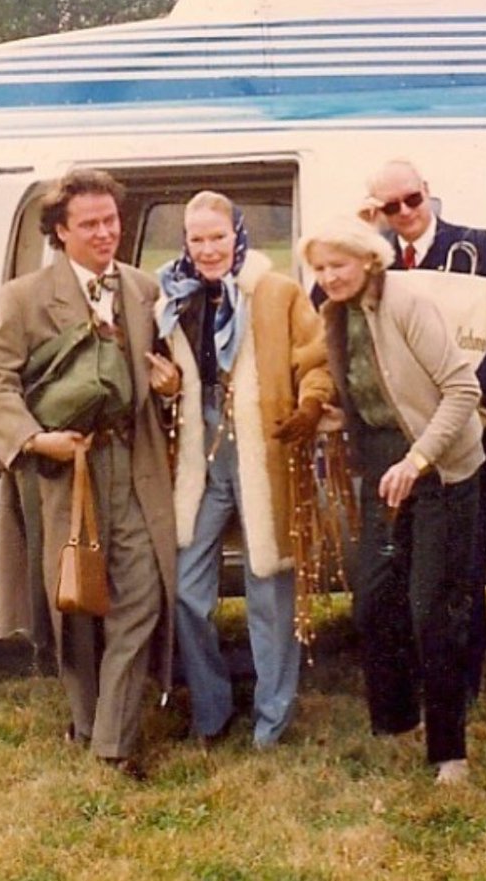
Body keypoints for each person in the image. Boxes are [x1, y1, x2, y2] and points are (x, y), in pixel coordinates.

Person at [0, 169, 175, 779]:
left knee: (144, 593)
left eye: (111, 220)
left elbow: (158, 376)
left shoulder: (141, 289)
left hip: (134, 465)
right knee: (74, 602)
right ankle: (86, 721)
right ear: (60, 232)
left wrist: (172, 384)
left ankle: (112, 743)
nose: (105, 233)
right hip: (65, 471)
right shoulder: (25, 297)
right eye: (90, 224)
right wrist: (36, 439)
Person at [146, 191, 334, 749]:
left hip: (265, 445)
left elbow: (317, 359)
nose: (208, 250)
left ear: (238, 235)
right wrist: (171, 389)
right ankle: (212, 707)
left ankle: (272, 721)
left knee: (269, 586)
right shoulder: (171, 298)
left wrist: (310, 405)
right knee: (185, 588)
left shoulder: (276, 292)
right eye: (197, 239)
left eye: (218, 237)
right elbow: (164, 373)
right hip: (202, 452)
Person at [302, 213, 483, 785]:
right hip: (384, 467)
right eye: (321, 268)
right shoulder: (336, 314)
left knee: (432, 609)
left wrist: (418, 459)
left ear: (368, 261)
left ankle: (449, 752)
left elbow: (462, 389)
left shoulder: (405, 300)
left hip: (441, 469)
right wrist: (331, 423)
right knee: (375, 602)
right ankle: (396, 722)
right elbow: (372, 391)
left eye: (339, 265)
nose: (329, 277)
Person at [364, 159, 486, 697]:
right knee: (411, 562)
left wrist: (471, 397)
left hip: (469, 435)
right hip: (406, 439)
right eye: (391, 207)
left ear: (427, 192)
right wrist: (364, 239)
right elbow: (333, 311)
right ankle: (420, 671)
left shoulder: (475, 246)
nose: (406, 213)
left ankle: (462, 681)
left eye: (412, 200)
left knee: (462, 562)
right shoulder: (375, 260)